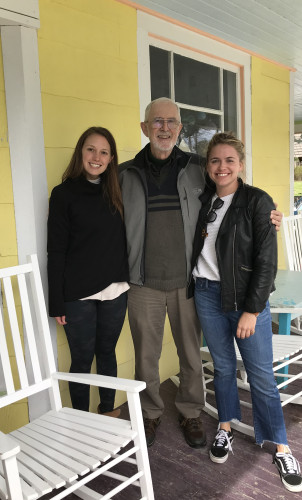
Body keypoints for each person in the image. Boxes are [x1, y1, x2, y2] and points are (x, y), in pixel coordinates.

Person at [119, 98, 283, 448]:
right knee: (146, 354)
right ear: (145, 128)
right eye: (157, 121)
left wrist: (266, 216)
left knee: (191, 354)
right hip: (142, 282)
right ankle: (150, 414)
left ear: (179, 128)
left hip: (190, 283)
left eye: (172, 122)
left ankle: (191, 411)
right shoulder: (124, 174)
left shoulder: (197, 168)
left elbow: (232, 195)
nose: (165, 127)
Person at [190, 132, 302, 493]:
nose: (221, 167)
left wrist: (252, 310)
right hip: (206, 294)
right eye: (214, 161)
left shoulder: (257, 202)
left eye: (229, 160)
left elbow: (267, 262)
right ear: (207, 166)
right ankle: (226, 426)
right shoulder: (203, 200)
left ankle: (281, 446)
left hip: (244, 301)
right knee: (222, 366)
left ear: (240, 164)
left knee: (260, 374)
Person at [47, 126, 129, 417]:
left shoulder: (118, 191)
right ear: (80, 152)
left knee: (106, 353)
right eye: (90, 149)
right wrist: (55, 300)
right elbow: (56, 250)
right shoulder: (63, 194)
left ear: (111, 158)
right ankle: (80, 419)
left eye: (104, 152)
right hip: (77, 294)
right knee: (81, 359)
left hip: (116, 289)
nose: (96, 157)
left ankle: (107, 410)